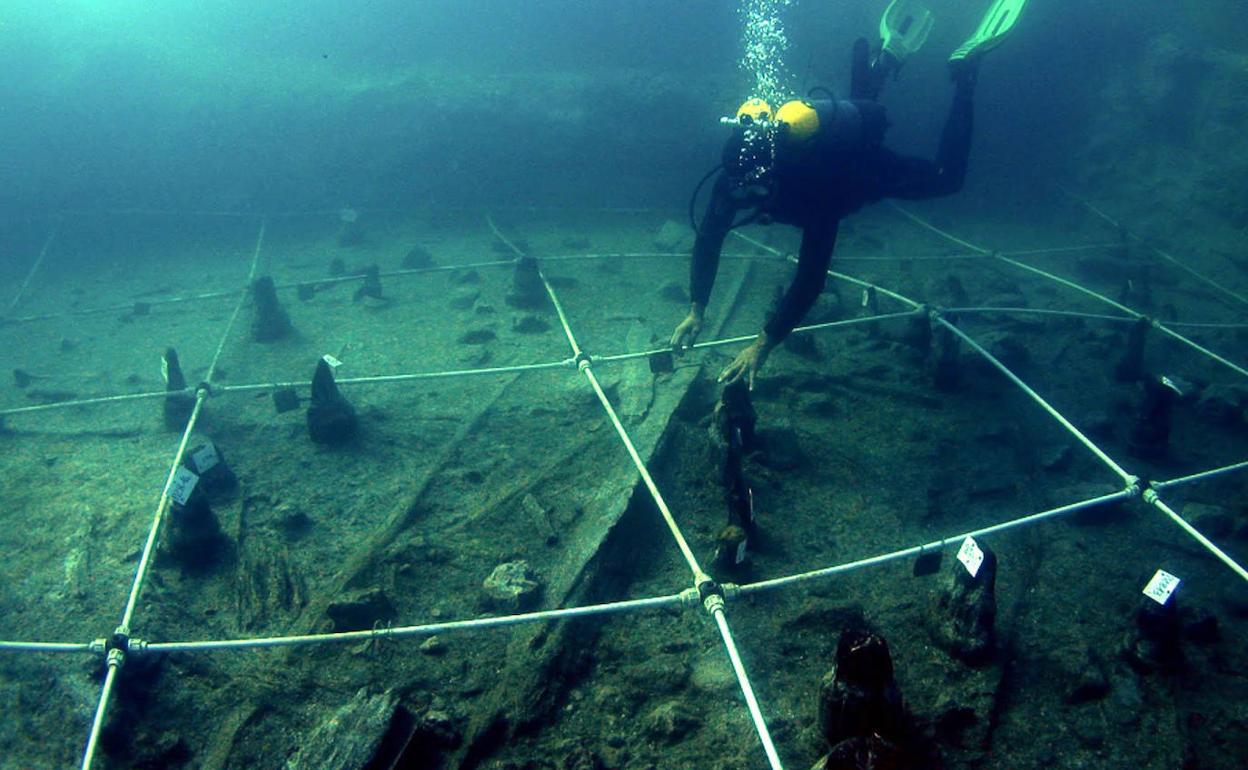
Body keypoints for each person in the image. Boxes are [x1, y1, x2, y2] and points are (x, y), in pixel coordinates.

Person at [671, 0, 1027, 389]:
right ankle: (885, 62)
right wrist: (696, 309)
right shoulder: (733, 178)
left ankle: (965, 74)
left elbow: (810, 278)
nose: (743, 196)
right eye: (740, 186)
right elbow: (708, 240)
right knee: (865, 108)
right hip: (836, 152)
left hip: (860, 175)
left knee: (946, 178)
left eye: (753, 187)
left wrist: (763, 344)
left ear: (772, 173)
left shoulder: (812, 189)